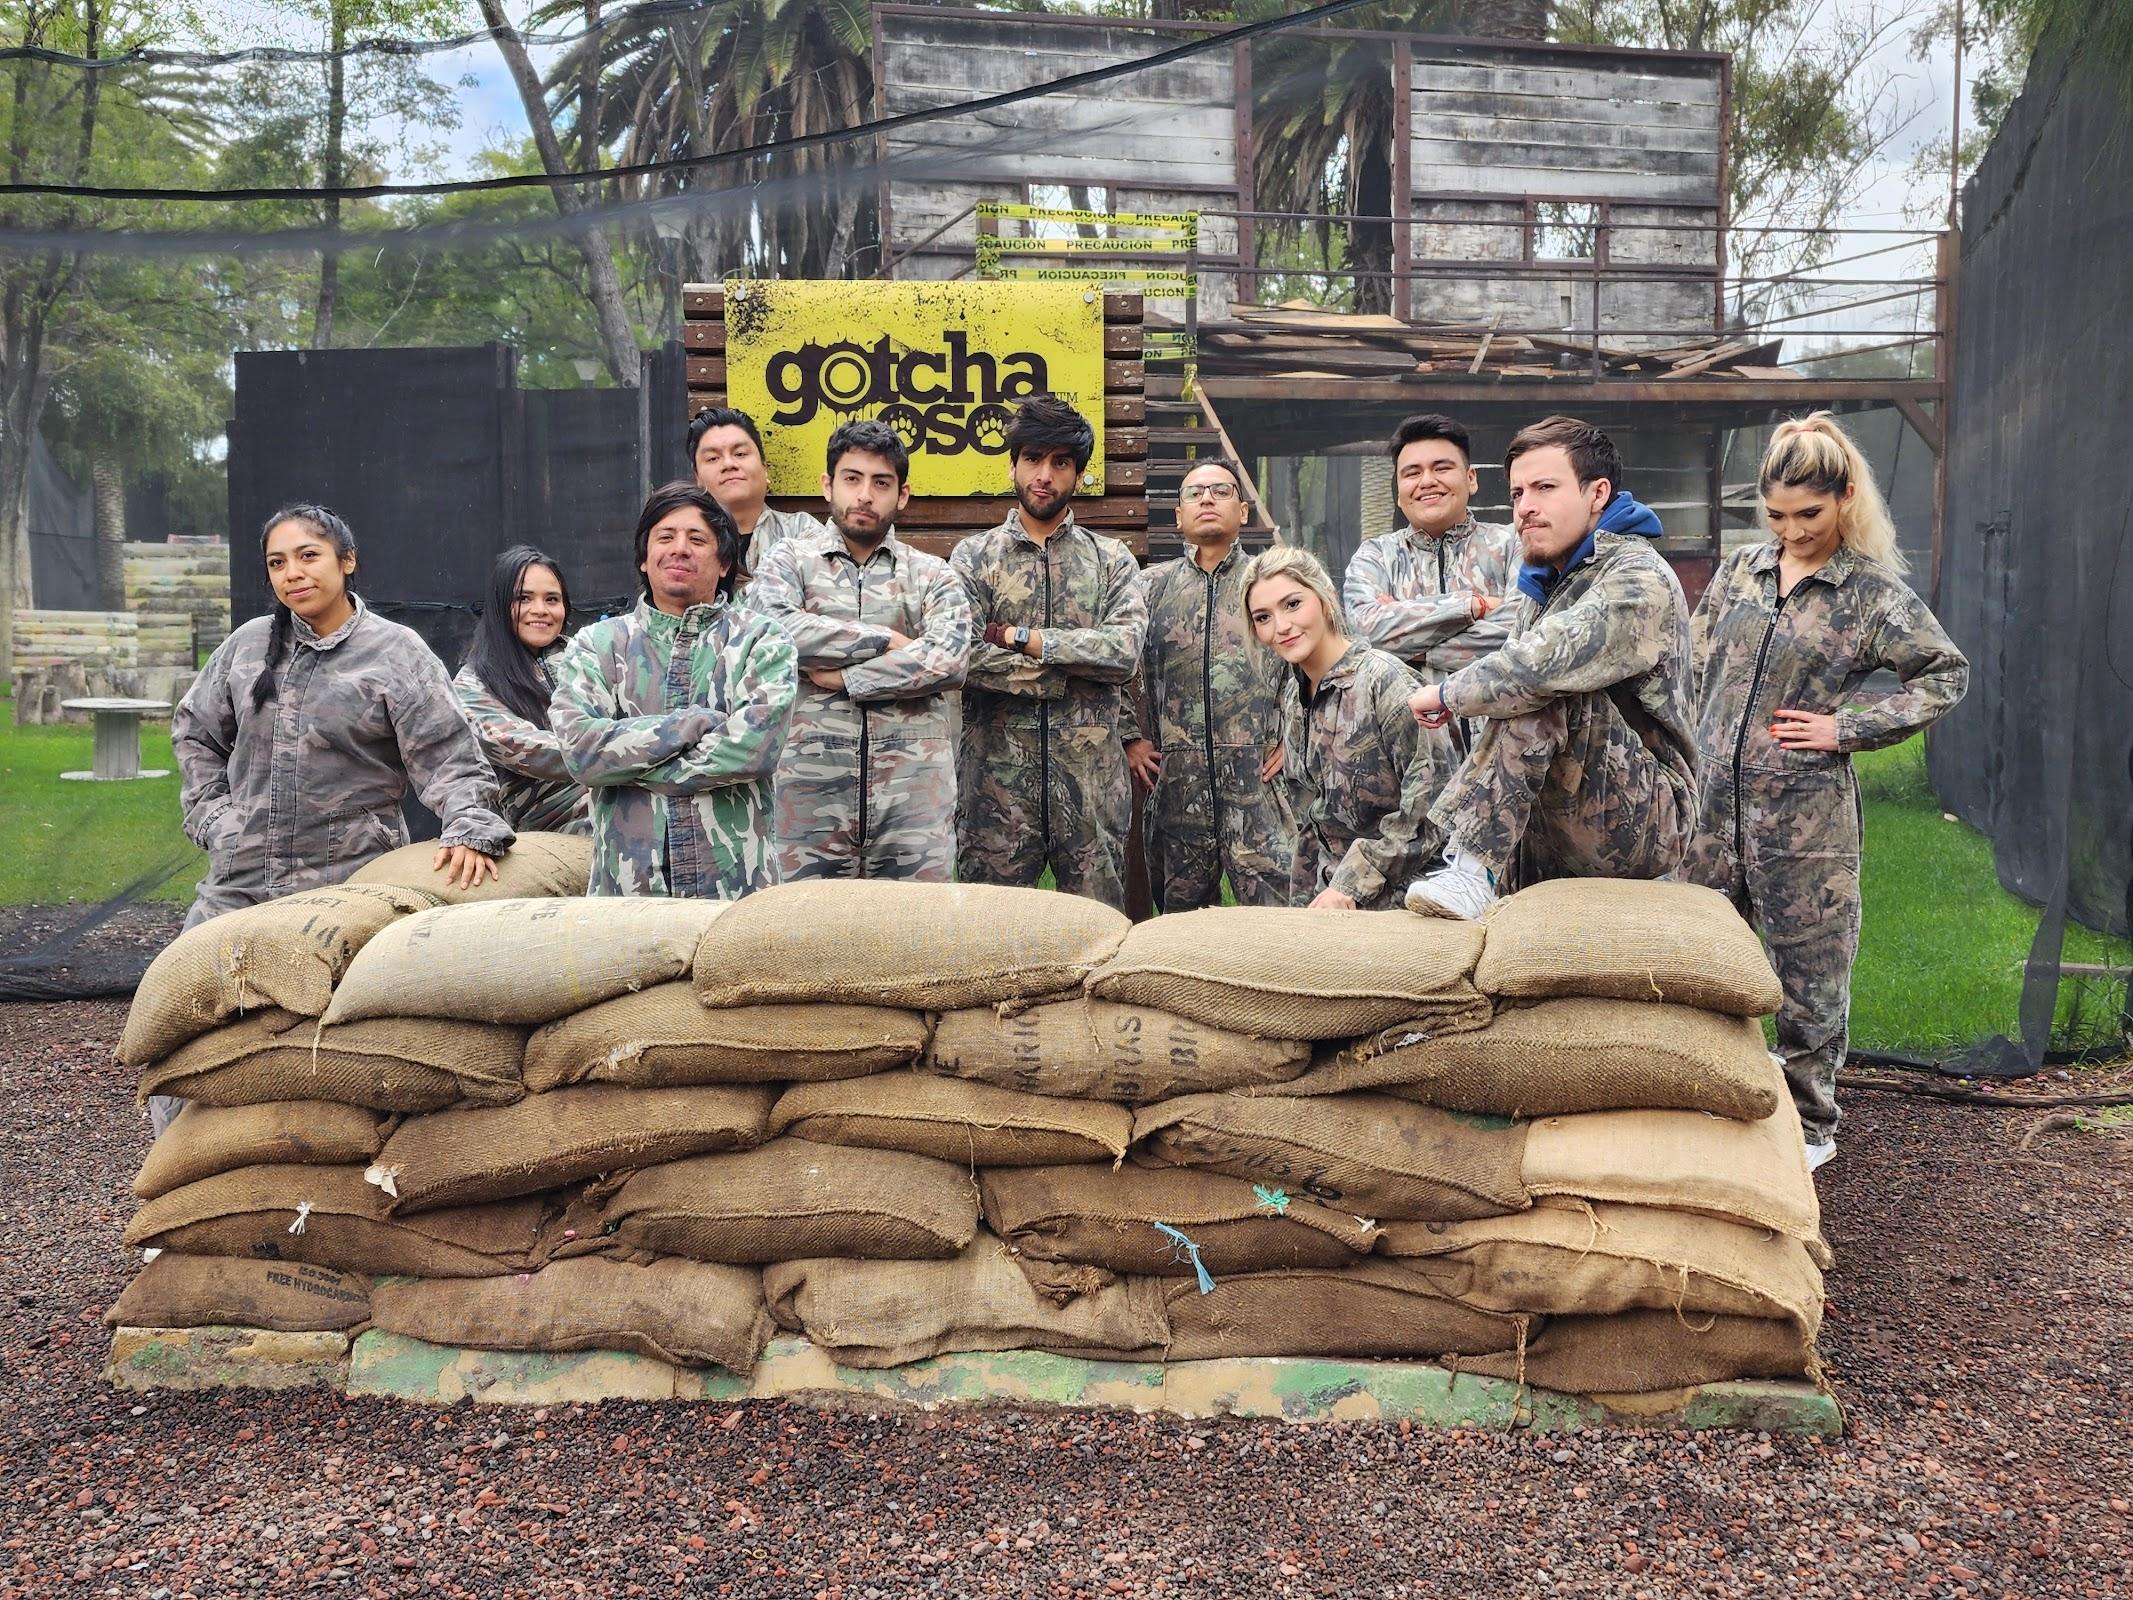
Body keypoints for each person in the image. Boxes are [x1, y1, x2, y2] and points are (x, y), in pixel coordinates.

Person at [164, 504, 515, 1135]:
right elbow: (194, 732)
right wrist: (215, 819)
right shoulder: (247, 647)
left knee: (348, 1053)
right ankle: (184, 1203)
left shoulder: (395, 653)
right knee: (182, 1030)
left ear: (346, 562)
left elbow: (448, 755)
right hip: (239, 884)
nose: (293, 573)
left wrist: (471, 826)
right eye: (277, 562)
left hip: (346, 886)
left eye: (309, 556)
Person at [1685, 412, 1968, 1171]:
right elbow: (1692, 665)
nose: (1791, 531)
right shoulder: (1739, 570)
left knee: (1809, 972)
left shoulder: (1869, 593)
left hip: (1804, 817)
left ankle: (1811, 1127)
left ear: (1843, 497)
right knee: (1700, 962)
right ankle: (1710, 1096)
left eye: (1807, 514)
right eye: (1775, 515)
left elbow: (1944, 675)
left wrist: (1845, 728)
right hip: (1710, 813)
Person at [1406, 415, 1693, 918]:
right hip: (1569, 807)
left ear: (1597, 493)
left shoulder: (1637, 577)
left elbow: (1541, 665)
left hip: (1649, 820)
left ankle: (1472, 869)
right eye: (1517, 494)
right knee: (1526, 682)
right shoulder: (1547, 582)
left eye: (1544, 488)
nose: (1525, 508)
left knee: (1546, 682)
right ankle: (1473, 868)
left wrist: (1448, 694)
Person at [747, 419, 972, 880]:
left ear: (902, 495)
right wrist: (885, 641)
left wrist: (849, 678)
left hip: (913, 799)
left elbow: (949, 659)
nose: (865, 495)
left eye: (881, 483)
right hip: (808, 791)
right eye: (852, 479)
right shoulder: (789, 560)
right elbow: (775, 630)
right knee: (802, 935)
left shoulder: (933, 575)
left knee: (916, 935)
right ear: (828, 485)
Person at [549, 482, 798, 898]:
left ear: (723, 564)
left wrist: (630, 767)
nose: (679, 548)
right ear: (644, 560)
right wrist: (687, 727)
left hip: (736, 892)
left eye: (697, 539)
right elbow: (581, 752)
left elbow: (756, 749)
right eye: (665, 537)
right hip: (627, 895)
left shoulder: (762, 640)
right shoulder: (598, 645)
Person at [951, 394, 1148, 910]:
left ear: (1077, 475)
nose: (1045, 474)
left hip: (1091, 787)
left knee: (1098, 930)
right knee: (987, 932)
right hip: (995, 785)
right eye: (1033, 458)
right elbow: (961, 656)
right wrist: (1064, 675)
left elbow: (1123, 651)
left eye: (1060, 462)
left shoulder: (1111, 560)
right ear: (1013, 464)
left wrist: (1025, 638)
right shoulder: (974, 557)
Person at [1242, 545, 1454, 910]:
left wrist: (1353, 884)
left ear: (1324, 598)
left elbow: (1435, 808)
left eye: (1292, 604)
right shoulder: (1296, 696)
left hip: (1405, 905)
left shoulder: (1385, 682)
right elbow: (1314, 822)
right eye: (1263, 617)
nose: (1281, 627)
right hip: (1330, 904)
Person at [1124, 459, 1292, 910]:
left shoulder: (1271, 583)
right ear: (1178, 517)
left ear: (1242, 511)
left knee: (1279, 921)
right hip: (1179, 786)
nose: (1207, 499)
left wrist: (1296, 736)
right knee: (1181, 924)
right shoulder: (1150, 588)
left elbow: (1311, 660)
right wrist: (1130, 737)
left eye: (1220, 491)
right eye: (1194, 493)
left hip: (1257, 784)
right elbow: (1115, 665)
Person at [1343, 413, 1521, 752]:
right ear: (1399, 492)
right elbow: (1365, 634)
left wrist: (1411, 648)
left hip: (1505, 751)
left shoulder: (1513, 544)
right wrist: (1472, 605)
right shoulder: (1376, 556)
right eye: (1412, 473)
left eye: (1441, 468)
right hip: (1412, 755)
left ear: (1471, 479)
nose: (1427, 481)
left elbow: (1523, 631)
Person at [452, 544, 591, 835]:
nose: (539, 610)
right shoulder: (473, 684)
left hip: (624, 799)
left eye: (552, 599)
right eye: (523, 598)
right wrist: (621, 753)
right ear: (500, 605)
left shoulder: (590, 656)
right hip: (556, 827)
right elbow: (526, 750)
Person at [690, 406, 825, 583]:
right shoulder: (687, 541)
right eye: (713, 458)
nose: (729, 464)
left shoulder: (801, 532)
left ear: (765, 469)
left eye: (740, 454)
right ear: (697, 478)